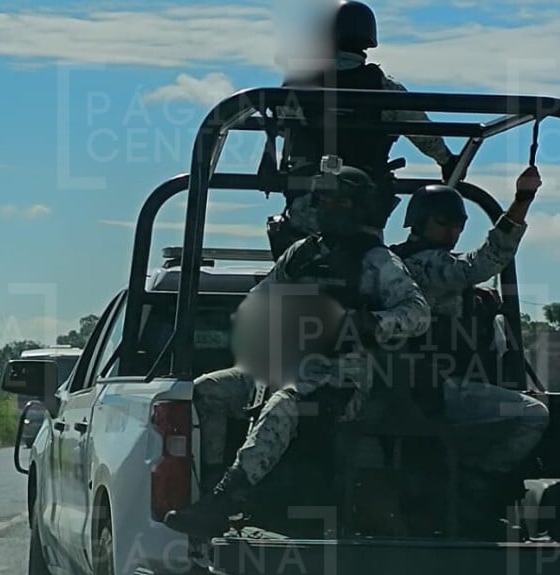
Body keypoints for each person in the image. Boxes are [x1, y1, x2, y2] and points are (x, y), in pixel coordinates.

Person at [163, 159, 431, 537]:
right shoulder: (303, 252)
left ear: (360, 207)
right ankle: (210, 490)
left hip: (343, 379)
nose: (329, 210)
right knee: (207, 390)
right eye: (323, 201)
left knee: (283, 404)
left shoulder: (376, 260)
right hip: (281, 365)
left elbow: (418, 313)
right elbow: (259, 297)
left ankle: (225, 502)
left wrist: (368, 322)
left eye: (340, 202)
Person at [390, 165, 549, 535]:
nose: (453, 230)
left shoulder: (401, 264)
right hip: (432, 392)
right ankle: (474, 484)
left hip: (428, 389)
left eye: (459, 224)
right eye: (444, 222)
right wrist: (522, 201)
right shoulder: (424, 264)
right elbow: (485, 262)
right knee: (532, 415)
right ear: (420, 223)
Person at [268, 0, 461, 250]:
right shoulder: (385, 89)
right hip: (365, 209)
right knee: (366, 269)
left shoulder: (297, 85)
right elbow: (423, 132)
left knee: (299, 267)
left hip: (309, 204)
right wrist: (446, 160)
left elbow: (283, 129)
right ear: (368, 39)